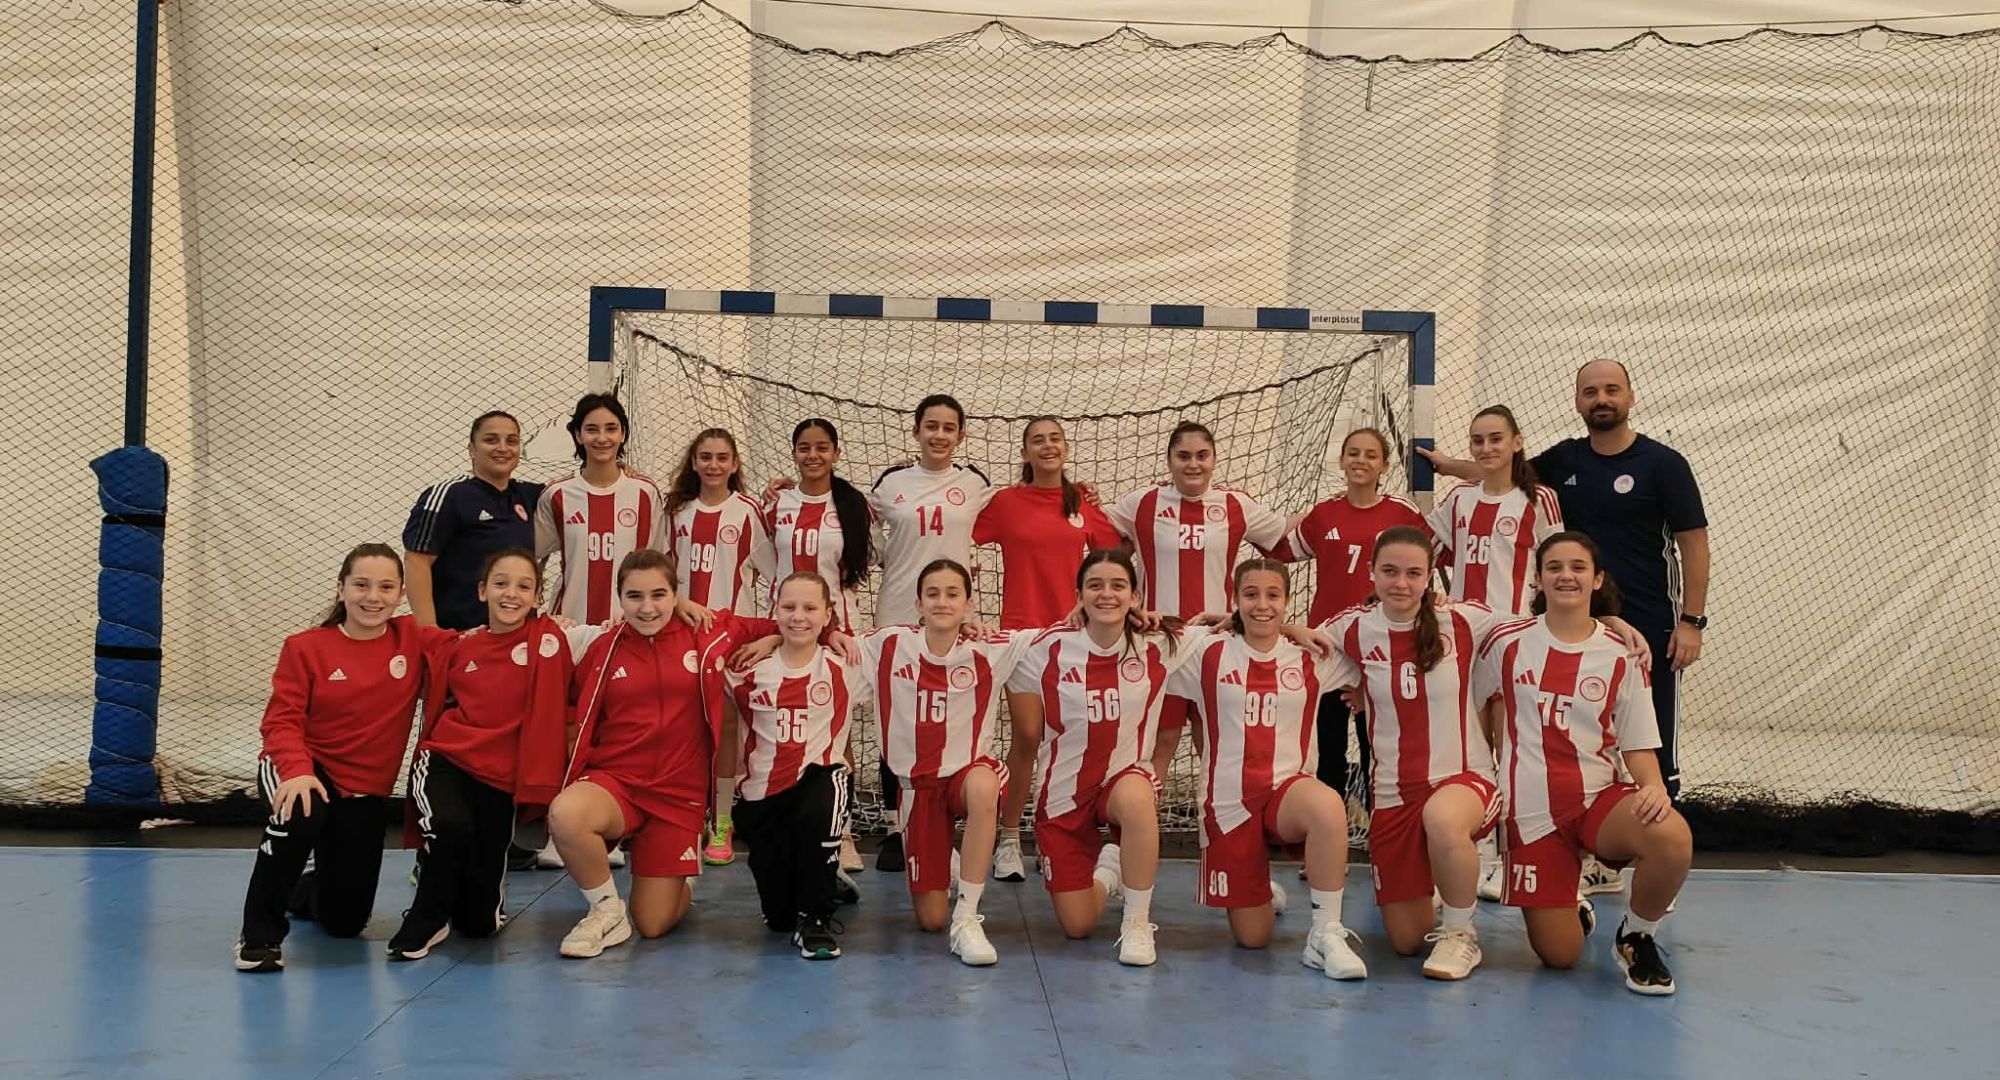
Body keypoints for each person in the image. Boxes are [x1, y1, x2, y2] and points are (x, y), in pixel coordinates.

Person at [1422, 361, 1709, 805]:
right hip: (1577, 617)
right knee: (1578, 726)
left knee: (1649, 731)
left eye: (1611, 390)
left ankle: (1661, 821)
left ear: (1630, 397)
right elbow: (1502, 472)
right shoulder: (1564, 460)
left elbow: (1694, 543)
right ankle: (1587, 822)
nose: (1601, 399)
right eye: (1590, 392)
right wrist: (1448, 467)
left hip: (1648, 618)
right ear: (1577, 402)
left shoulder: (1664, 464)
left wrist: (1692, 621)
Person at [1473, 532, 1693, 995]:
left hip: (1599, 802)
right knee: (1560, 956)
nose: (1566, 576)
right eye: (1554, 567)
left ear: (1597, 579)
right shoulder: (1505, 641)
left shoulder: (1622, 653)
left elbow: (1637, 741)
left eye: (1578, 567)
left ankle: (1636, 936)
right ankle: (1570, 905)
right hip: (1532, 816)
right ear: (1538, 579)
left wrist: (1653, 786)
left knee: (1671, 835)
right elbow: (1470, 701)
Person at [543, 549, 788, 959]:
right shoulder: (601, 646)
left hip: (677, 796)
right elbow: (529, 642)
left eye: (658, 595)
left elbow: (794, 623)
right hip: (616, 784)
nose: (647, 607)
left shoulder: (709, 632)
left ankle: (683, 877)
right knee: (566, 814)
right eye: (634, 596)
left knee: (653, 924)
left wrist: (773, 638)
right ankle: (606, 911)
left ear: (677, 595)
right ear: (620, 599)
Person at [233, 544, 456, 972]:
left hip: (363, 788)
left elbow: (480, 645)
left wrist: (549, 627)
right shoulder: (305, 647)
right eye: (361, 585)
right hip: (301, 766)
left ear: (400, 594)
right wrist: (297, 772)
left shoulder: (413, 638)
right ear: (341, 589)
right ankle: (258, 936)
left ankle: (303, 888)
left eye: (385, 587)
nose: (373, 597)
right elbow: (281, 721)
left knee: (345, 922)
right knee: (300, 814)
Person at [1004, 549, 1215, 967]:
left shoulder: (1161, 643)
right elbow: (976, 646)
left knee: (1137, 798)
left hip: (1124, 780)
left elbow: (1238, 631)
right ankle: (1110, 869)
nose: (1106, 594)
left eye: (1118, 586)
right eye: (1095, 585)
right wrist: (966, 623)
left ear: (1135, 596)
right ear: (1078, 595)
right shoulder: (1046, 647)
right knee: (1078, 925)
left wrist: (1292, 628)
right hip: (1064, 796)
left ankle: (1137, 923)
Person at [1316, 528, 1504, 980]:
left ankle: (1460, 933)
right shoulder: (1354, 627)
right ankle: (1440, 874)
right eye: (1390, 571)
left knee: (1442, 818)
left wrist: (1611, 623)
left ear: (1428, 578)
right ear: (1372, 572)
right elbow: (1289, 646)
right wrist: (1242, 622)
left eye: (1413, 573)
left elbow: (1541, 626)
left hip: (1464, 780)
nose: (1401, 583)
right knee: (1406, 941)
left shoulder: (1462, 620)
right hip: (1393, 793)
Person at [1167, 558, 1367, 980]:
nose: (1262, 605)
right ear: (1235, 600)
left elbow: (1380, 648)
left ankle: (1325, 934)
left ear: (1287, 600)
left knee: (1328, 806)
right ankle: (1257, 888)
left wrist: (1363, 690)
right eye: (1251, 595)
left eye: (1273, 595)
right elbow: (1139, 639)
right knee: (1253, 938)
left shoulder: (1311, 653)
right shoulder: (1206, 650)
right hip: (1228, 804)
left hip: (1286, 793)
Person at [387, 549, 576, 961]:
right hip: (446, 761)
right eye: (501, 583)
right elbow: (391, 630)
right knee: (449, 828)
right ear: (482, 591)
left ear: (537, 596)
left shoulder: (552, 639)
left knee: (478, 926)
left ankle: (479, 899)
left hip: (500, 780)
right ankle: (425, 919)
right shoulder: (459, 645)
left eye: (524, 586)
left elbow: (616, 631)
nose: (511, 594)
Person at [860, 559, 1035, 965]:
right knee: (930, 920)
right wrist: (771, 638)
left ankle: (968, 917)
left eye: (953, 594)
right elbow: (824, 639)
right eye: (933, 594)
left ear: (969, 604)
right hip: (917, 790)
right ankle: (948, 863)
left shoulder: (990, 647)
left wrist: (1086, 611)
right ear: (918, 604)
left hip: (966, 776)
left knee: (984, 786)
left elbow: (1058, 636)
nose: (942, 602)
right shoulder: (886, 644)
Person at [971, 416, 1121, 883]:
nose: (1047, 446)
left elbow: (1116, 554)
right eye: (1038, 440)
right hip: (1021, 639)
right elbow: (958, 532)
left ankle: (1060, 836)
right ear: (1025, 452)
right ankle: (1009, 839)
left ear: (1066, 448)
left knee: (1073, 740)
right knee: (1028, 735)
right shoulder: (1005, 503)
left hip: (1074, 640)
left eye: (1055, 439)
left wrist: (1093, 601)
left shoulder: (1081, 503)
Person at [1424, 405, 1563, 899]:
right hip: (1464, 641)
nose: (1486, 448)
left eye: (1495, 439)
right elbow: (1421, 549)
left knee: (1513, 750)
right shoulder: (1460, 498)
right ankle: (1474, 854)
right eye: (1477, 440)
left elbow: (1557, 563)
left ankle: (1512, 856)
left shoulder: (1539, 499)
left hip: (1515, 639)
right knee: (1468, 749)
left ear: (1517, 443)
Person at [1106, 421, 1289, 784]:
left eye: (1202, 456)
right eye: (1184, 456)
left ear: (1214, 460)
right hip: (1160, 642)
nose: (1193, 464)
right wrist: (1084, 496)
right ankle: (1140, 818)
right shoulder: (1141, 502)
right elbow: (1097, 535)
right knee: (1159, 745)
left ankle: (1218, 817)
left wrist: (1340, 510)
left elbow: (1284, 532)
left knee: (1216, 745)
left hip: (1216, 642)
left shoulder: (1235, 503)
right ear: (1169, 460)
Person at [866, 394, 997, 873]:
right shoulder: (891, 483)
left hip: (950, 618)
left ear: (961, 434)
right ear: (916, 430)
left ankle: (944, 824)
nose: (939, 435)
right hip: (898, 610)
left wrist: (1077, 493)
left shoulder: (976, 483)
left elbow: (1022, 503)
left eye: (948, 427)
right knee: (896, 720)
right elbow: (851, 518)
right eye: (931, 426)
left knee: (948, 718)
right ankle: (894, 826)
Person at [1268, 427, 1427, 818]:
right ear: (1341, 461)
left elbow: (1428, 559)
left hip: (1380, 645)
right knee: (1328, 745)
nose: (1361, 461)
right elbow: (1281, 550)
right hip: (1328, 644)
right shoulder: (1324, 514)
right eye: (1353, 453)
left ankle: (1382, 829)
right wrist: (1249, 523)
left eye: (1371, 455)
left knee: (1379, 745)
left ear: (1385, 466)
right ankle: (1329, 828)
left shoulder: (1403, 514)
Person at [751, 418, 874, 870]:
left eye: (822, 448)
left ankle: (842, 833)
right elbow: (764, 559)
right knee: (783, 726)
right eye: (804, 447)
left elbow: (870, 557)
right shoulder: (776, 504)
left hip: (839, 634)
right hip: (787, 630)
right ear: (794, 453)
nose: (813, 456)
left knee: (837, 733)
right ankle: (785, 821)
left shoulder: (853, 505)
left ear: (836, 453)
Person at [726, 572, 863, 960]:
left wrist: (973, 627)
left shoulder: (847, 662)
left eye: (810, 608)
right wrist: (770, 637)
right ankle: (823, 875)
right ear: (775, 610)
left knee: (825, 795)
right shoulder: (746, 667)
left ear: (828, 614)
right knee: (779, 919)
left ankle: (817, 917)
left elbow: (923, 633)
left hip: (820, 778)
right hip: (763, 796)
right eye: (789, 607)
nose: (798, 616)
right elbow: (707, 631)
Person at [665, 427, 771, 867]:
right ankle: (686, 816)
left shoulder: (748, 512)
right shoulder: (676, 512)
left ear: (734, 464)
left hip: (733, 638)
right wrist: (679, 602)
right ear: (694, 462)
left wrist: (771, 635)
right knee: (683, 729)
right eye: (705, 457)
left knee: (728, 728)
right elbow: (660, 574)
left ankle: (722, 821)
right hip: (683, 636)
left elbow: (776, 577)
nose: (713, 465)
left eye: (721, 457)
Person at [535, 393, 667, 626]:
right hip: (570, 624)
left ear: (623, 434)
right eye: (592, 429)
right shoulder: (557, 494)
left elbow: (659, 561)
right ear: (579, 435)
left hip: (629, 625)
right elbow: (530, 554)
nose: (602, 438)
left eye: (611, 429)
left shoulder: (645, 493)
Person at [403, 411, 542, 631]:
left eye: (511, 441)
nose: (503, 448)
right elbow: (416, 560)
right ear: (472, 450)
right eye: (491, 440)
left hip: (516, 636)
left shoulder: (529, 495)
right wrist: (429, 631)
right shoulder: (450, 495)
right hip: (461, 635)